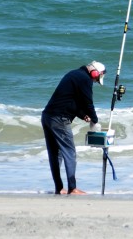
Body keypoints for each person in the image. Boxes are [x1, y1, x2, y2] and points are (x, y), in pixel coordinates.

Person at [41, 60, 106, 195]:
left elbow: (70, 102)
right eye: (96, 78)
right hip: (60, 119)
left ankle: (59, 188)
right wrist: (95, 120)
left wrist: (83, 116)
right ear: (94, 73)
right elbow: (88, 103)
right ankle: (72, 188)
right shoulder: (85, 79)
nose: (94, 81)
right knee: (69, 152)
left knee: (55, 155)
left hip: (47, 117)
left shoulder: (74, 74)